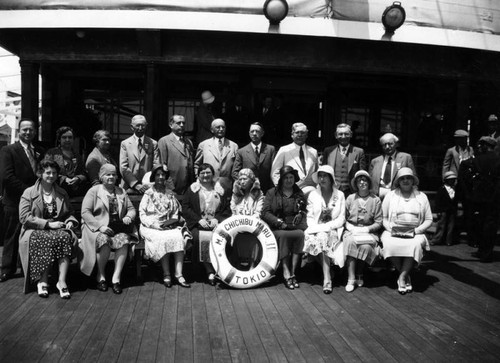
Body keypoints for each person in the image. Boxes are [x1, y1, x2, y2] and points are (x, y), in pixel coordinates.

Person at [19, 160, 78, 298]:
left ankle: (61, 281)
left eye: (54, 173)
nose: (51, 175)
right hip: (34, 229)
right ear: (40, 173)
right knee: (46, 238)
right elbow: (24, 217)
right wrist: (47, 224)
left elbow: (69, 213)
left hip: (58, 228)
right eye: (48, 172)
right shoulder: (29, 192)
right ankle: (43, 280)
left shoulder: (61, 192)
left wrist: (69, 221)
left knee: (64, 237)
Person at [79, 164, 138, 294]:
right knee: (104, 240)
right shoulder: (94, 191)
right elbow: (85, 212)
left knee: (123, 240)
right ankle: (101, 275)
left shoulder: (120, 191)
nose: (111, 177)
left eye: (113, 174)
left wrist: (129, 216)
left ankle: (116, 278)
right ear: (101, 177)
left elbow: (131, 209)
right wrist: (100, 226)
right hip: (98, 228)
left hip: (118, 227)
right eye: (107, 174)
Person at [0, 119, 44, 282]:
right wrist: (29, 193)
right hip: (14, 199)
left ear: (35, 131)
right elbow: (7, 177)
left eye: (31, 130)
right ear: (19, 131)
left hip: (34, 201)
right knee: (12, 234)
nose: (28, 132)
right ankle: (6, 269)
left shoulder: (38, 151)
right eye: (24, 130)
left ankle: (25, 265)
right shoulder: (8, 150)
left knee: (31, 233)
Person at [380, 167, 432, 295]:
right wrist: (390, 228)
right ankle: (405, 275)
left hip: (415, 231)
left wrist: (418, 230)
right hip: (393, 229)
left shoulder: (422, 196)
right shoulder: (390, 195)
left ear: (413, 180)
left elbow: (429, 219)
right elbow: (384, 217)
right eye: (402, 178)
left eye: (408, 178)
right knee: (388, 243)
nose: (405, 180)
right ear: (398, 181)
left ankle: (402, 277)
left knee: (414, 245)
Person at [139, 164, 192, 288]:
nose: (161, 177)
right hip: (151, 226)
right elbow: (142, 214)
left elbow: (174, 212)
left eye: (163, 175)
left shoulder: (170, 193)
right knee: (163, 239)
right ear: (154, 177)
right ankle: (167, 274)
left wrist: (171, 222)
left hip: (167, 224)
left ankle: (179, 274)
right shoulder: (148, 193)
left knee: (178, 237)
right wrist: (154, 225)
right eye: (158, 175)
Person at [182, 163, 231, 285]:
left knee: (222, 236)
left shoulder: (220, 190)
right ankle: (209, 270)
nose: (205, 175)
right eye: (202, 173)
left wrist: (217, 220)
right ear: (198, 175)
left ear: (213, 175)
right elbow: (186, 208)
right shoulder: (192, 190)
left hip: (216, 225)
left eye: (208, 173)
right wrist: (199, 220)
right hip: (197, 225)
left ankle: (219, 267)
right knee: (199, 237)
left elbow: (226, 210)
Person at [262, 166, 307, 289]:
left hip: (294, 226)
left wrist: (300, 214)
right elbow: (265, 212)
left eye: (291, 177)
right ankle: (286, 272)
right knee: (283, 236)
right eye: (286, 178)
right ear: (281, 179)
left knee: (300, 235)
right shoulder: (272, 193)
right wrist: (277, 222)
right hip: (279, 227)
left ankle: (293, 271)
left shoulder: (299, 192)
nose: (289, 180)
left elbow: (304, 210)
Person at [303, 165, 346, 294]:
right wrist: (317, 229)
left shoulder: (340, 195)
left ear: (331, 178)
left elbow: (341, 218)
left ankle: (327, 278)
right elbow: (310, 217)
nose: (322, 179)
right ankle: (327, 273)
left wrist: (327, 227)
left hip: (333, 229)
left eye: (325, 176)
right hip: (315, 229)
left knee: (323, 237)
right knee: (319, 237)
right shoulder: (313, 195)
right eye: (320, 176)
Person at [342, 170, 382, 293]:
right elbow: (343, 217)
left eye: (364, 180)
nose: (362, 183)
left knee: (365, 245)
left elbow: (379, 222)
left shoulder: (376, 200)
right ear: (356, 183)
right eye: (359, 180)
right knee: (350, 242)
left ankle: (360, 273)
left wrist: (366, 229)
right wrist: (350, 227)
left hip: (368, 232)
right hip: (352, 230)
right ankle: (351, 278)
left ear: (369, 183)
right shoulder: (350, 198)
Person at [467, 136, 500, 262]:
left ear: (486, 146)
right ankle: (487, 252)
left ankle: (482, 250)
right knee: (490, 225)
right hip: (495, 197)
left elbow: (471, 176)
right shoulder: (498, 159)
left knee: (480, 223)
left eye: (481, 145)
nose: (479, 148)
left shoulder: (478, 160)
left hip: (480, 197)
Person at [229, 169, 264, 269]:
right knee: (233, 235)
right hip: (237, 224)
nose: (242, 181)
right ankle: (235, 263)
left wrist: (248, 223)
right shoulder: (235, 194)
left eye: (245, 179)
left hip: (253, 223)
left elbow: (258, 212)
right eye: (240, 179)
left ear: (252, 180)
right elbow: (234, 211)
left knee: (256, 236)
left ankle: (253, 264)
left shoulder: (259, 194)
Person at [271, 123, 318, 195]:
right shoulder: (284, 150)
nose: (300, 135)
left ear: (306, 135)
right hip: (290, 192)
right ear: (292, 135)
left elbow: (316, 172)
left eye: (302, 132)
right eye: (297, 132)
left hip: (311, 192)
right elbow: (275, 172)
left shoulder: (313, 152)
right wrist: (282, 189)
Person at [323, 123, 367, 197]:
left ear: (351, 135)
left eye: (346, 134)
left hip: (351, 191)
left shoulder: (359, 152)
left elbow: (362, 173)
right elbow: (324, 172)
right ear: (336, 135)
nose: (343, 137)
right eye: (340, 134)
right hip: (332, 190)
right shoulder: (328, 151)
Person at [119, 115, 160, 194]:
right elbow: (123, 167)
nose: (140, 128)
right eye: (138, 125)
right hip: (128, 187)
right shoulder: (125, 144)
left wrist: (147, 183)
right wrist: (135, 184)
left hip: (148, 188)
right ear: (132, 127)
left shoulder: (153, 143)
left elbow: (156, 165)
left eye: (143, 125)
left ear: (146, 126)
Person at [194, 119, 238, 192]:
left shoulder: (234, 146)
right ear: (212, 129)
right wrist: (200, 179)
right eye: (218, 127)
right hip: (208, 186)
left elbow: (236, 167)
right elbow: (197, 165)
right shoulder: (203, 145)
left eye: (223, 127)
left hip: (227, 187)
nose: (221, 129)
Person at [369, 133, 416, 200]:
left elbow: (413, 177)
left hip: (398, 196)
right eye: (384, 145)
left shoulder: (406, 158)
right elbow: (370, 181)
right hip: (377, 197)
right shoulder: (375, 161)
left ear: (396, 144)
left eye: (390, 144)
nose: (387, 147)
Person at [232, 122, 276, 193]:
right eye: (252, 131)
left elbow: (275, 170)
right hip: (248, 191)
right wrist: (245, 183)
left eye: (257, 131)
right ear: (249, 133)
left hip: (267, 190)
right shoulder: (241, 151)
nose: (254, 133)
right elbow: (235, 172)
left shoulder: (270, 149)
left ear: (262, 133)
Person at [158, 114, 195, 197]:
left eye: (183, 123)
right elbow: (161, 166)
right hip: (171, 188)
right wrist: (169, 186)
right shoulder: (164, 141)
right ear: (171, 125)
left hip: (187, 189)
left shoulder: (189, 142)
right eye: (178, 123)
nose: (182, 125)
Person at [44, 126, 88, 196]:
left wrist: (78, 178)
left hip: (74, 192)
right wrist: (63, 179)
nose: (67, 140)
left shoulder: (77, 155)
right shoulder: (52, 153)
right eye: (64, 137)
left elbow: (84, 173)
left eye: (70, 137)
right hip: (55, 191)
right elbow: (45, 171)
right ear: (59, 139)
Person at [430, 171, 458, 246]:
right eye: (450, 179)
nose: (452, 181)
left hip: (452, 210)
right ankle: (436, 239)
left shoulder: (455, 189)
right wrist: (438, 211)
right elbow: (438, 201)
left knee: (451, 226)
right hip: (443, 210)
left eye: (453, 179)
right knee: (441, 225)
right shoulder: (442, 189)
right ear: (446, 180)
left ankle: (448, 240)